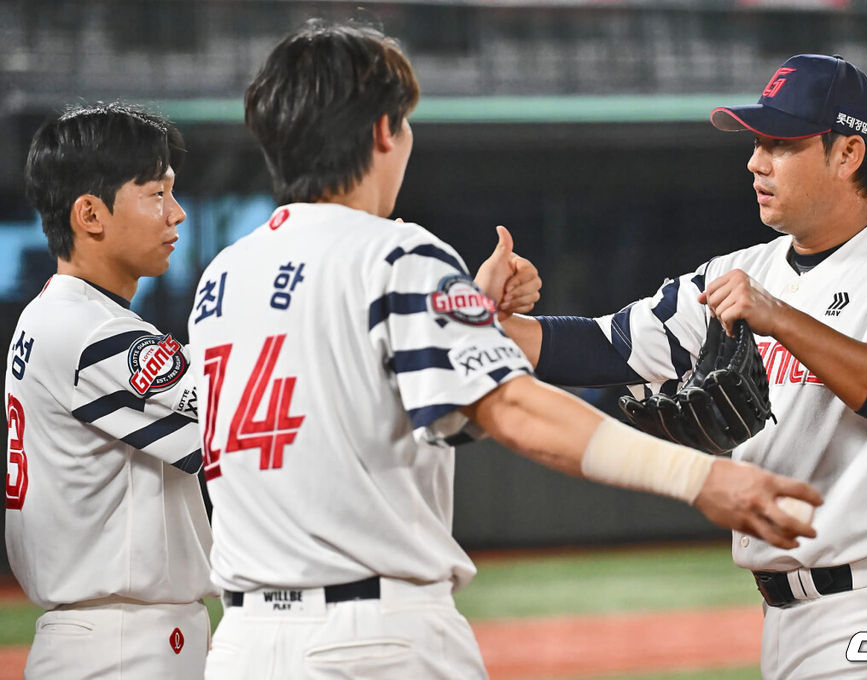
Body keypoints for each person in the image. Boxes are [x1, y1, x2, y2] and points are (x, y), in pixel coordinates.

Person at [188, 20, 822, 680]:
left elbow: (350, 403)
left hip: (243, 644)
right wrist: (701, 477)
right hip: (369, 644)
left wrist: (474, 317)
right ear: (383, 130)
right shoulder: (396, 255)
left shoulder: (225, 278)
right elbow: (512, 410)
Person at [500, 54, 867, 678]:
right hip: (785, 616)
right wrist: (493, 320)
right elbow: (602, 347)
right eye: (757, 143)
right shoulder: (739, 272)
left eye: (781, 144)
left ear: (847, 154)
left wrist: (780, 318)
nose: (756, 162)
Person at [5, 103, 215, 678]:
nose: (177, 214)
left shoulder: (62, 316)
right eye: (156, 194)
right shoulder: (88, 329)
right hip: (123, 645)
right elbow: (236, 411)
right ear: (90, 214)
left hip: (112, 637)